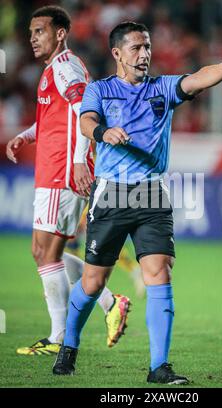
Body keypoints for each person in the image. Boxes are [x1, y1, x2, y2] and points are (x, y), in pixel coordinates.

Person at [53, 21, 222, 383]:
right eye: (136, 48)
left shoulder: (162, 88)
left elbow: (196, 78)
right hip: (112, 193)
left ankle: (159, 367)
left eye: (147, 47)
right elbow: (86, 122)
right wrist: (103, 133)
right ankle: (69, 345)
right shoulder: (99, 90)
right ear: (117, 53)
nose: (145, 54)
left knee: (158, 273)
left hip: (152, 194)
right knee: (93, 283)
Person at [6, 6, 131, 355]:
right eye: (31, 32)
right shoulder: (52, 71)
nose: (33, 38)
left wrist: (79, 162)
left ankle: (58, 337)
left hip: (63, 170)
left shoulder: (66, 67)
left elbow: (82, 113)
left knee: (45, 252)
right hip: (52, 168)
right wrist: (27, 136)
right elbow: (55, 120)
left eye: (40, 31)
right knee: (46, 251)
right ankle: (110, 303)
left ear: (60, 33)